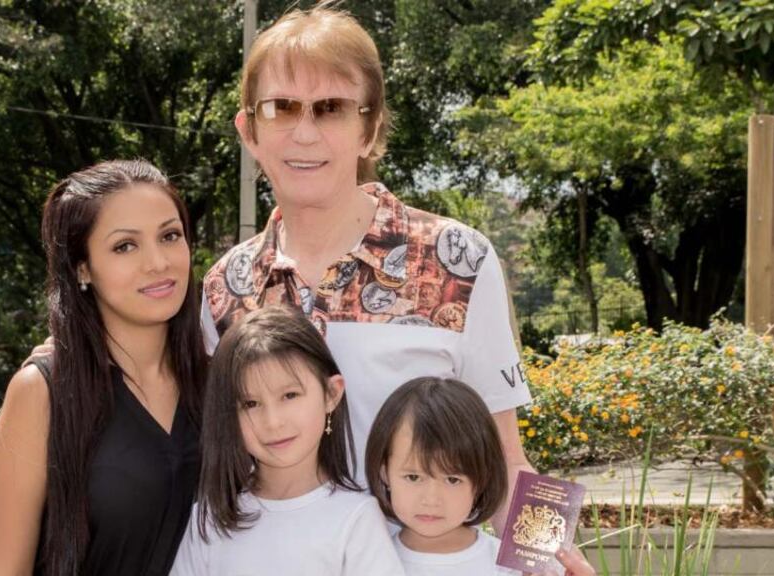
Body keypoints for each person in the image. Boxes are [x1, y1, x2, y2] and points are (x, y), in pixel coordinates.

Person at [201, 2, 533, 532]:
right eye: (281, 108)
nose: (304, 132)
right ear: (249, 131)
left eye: (331, 108)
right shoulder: (224, 289)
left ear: (370, 127)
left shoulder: (458, 262)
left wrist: (549, 558)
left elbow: (507, 460)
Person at [0, 159, 207, 576]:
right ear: (83, 268)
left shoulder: (217, 381)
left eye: (170, 236)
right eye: (125, 246)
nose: (158, 262)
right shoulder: (44, 392)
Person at [170, 306, 404, 575]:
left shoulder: (355, 518)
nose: (273, 422)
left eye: (290, 395)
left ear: (331, 393)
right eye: (251, 403)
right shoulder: (210, 519)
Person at [365, 377, 595, 576]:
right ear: (384, 472)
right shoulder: (364, 562)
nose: (431, 499)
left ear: (482, 478)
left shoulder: (512, 568)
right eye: (413, 477)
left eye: (452, 479)